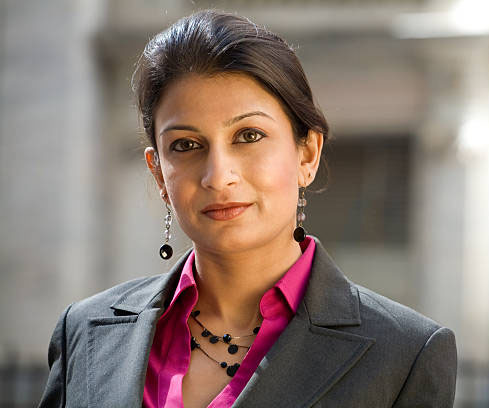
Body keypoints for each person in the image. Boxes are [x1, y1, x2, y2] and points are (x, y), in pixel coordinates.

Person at [39, 9, 457, 408]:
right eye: (185, 145)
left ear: (307, 154)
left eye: (249, 135)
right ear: (159, 174)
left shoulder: (405, 354)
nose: (218, 176)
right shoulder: (85, 332)